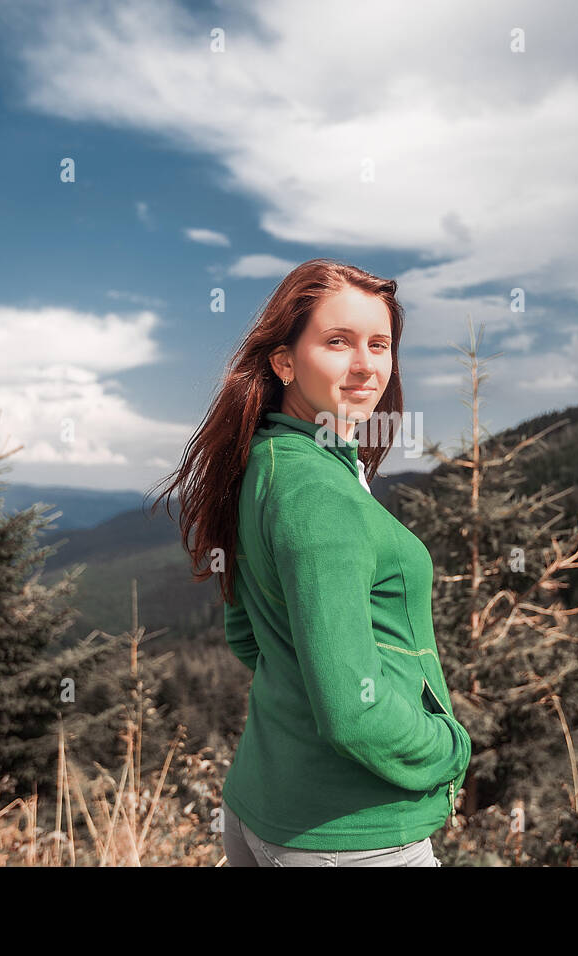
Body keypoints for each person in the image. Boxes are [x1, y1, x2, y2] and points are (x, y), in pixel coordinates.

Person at [148, 258, 471, 866]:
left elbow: (248, 637)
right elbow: (353, 712)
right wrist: (450, 749)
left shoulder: (269, 461)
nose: (366, 365)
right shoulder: (320, 494)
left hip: (265, 805)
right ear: (284, 360)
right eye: (337, 342)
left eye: (380, 344)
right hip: (352, 833)